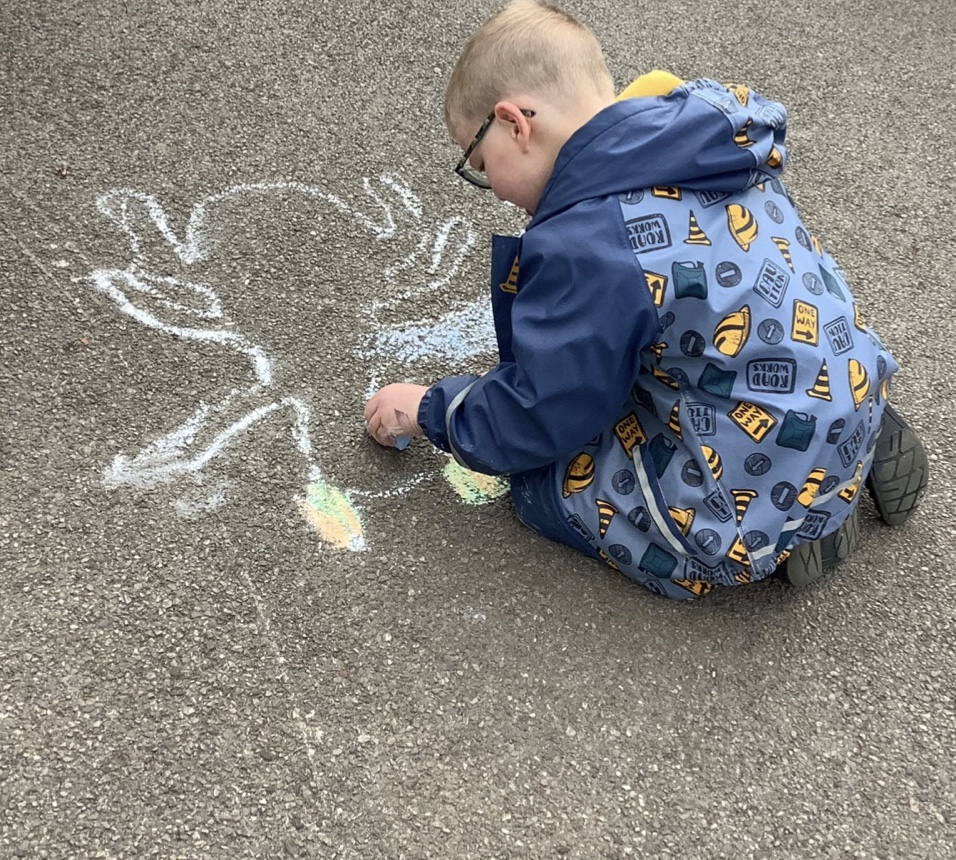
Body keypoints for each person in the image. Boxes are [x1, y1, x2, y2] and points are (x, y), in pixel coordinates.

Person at [364, 0, 929, 598]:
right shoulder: (704, 139)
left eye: (481, 163)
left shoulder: (589, 242)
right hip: (840, 380)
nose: (494, 190)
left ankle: (782, 537)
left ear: (515, 123)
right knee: (692, 332)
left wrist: (432, 409)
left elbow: (543, 410)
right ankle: (844, 455)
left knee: (542, 489)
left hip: (743, 488)